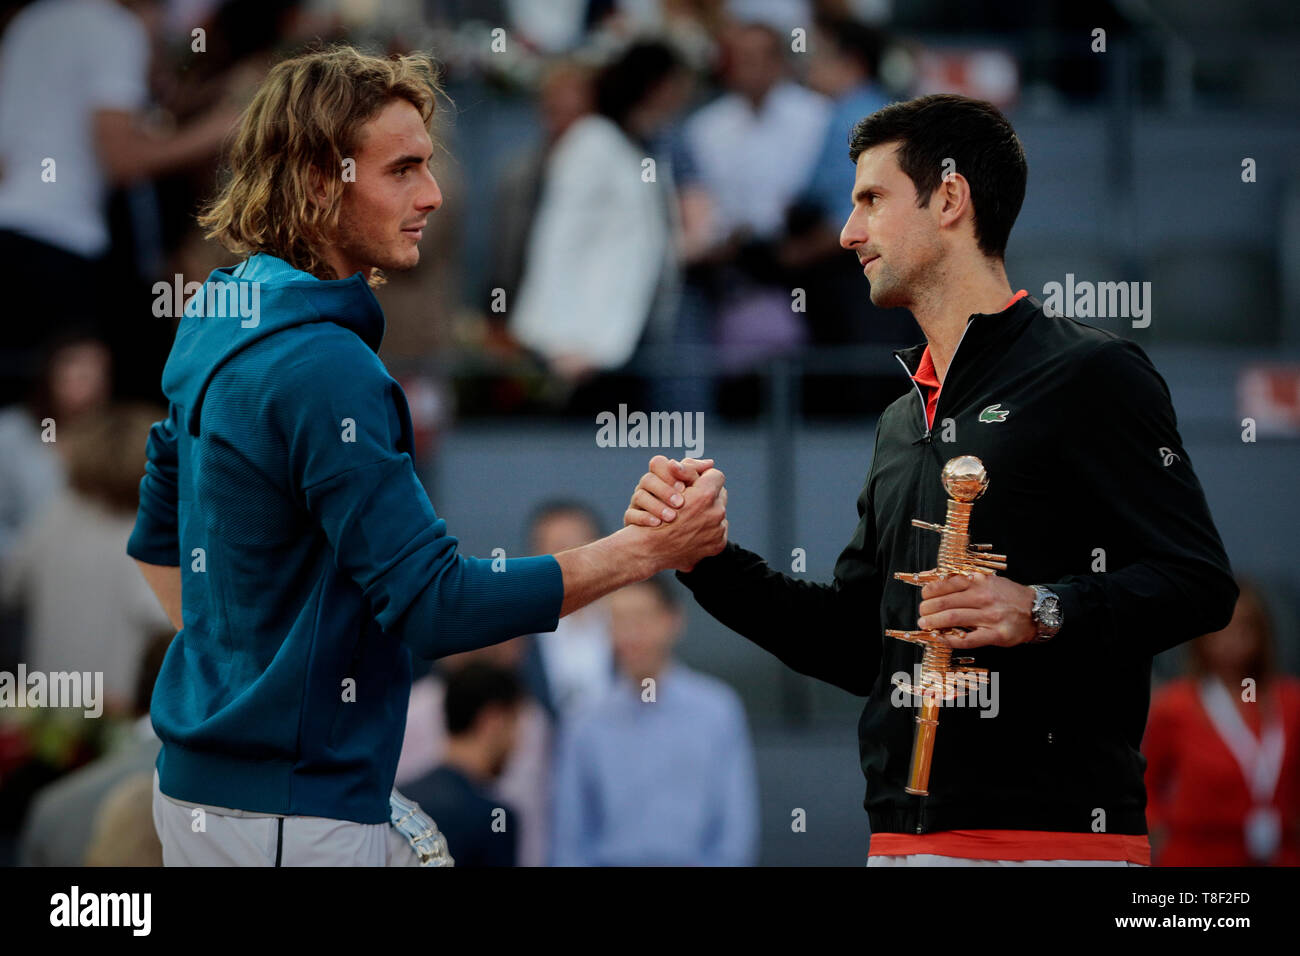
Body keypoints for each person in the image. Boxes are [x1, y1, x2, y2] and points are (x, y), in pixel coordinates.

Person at [127, 45, 728, 867]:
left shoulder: (220, 311)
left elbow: (160, 539)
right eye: (402, 169)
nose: (433, 194)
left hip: (201, 791)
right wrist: (644, 550)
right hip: (289, 815)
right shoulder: (326, 365)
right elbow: (436, 606)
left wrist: (242, 683)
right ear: (316, 181)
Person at [626, 93, 1239, 866]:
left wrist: (1045, 608)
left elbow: (1200, 583)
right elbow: (858, 646)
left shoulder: (1094, 374)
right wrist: (704, 560)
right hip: (898, 845)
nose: (848, 232)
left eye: (871, 200)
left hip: (1056, 844)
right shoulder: (898, 419)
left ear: (949, 197)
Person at [551, 574, 759, 866]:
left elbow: (734, 833)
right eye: (618, 620)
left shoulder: (716, 710)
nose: (630, 635)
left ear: (674, 620)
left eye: (641, 618)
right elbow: (569, 840)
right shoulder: (584, 720)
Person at [1143, 580, 1300, 866]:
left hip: (1282, 853)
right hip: (1197, 854)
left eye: (1245, 628)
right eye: (1222, 628)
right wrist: (1158, 827)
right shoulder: (1176, 705)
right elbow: (1146, 780)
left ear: (1262, 633)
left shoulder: (1289, 703)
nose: (1233, 640)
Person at [401, 663, 525, 867]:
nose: (517, 741)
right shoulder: (493, 819)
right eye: (514, 724)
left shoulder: (397, 803)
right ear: (493, 722)